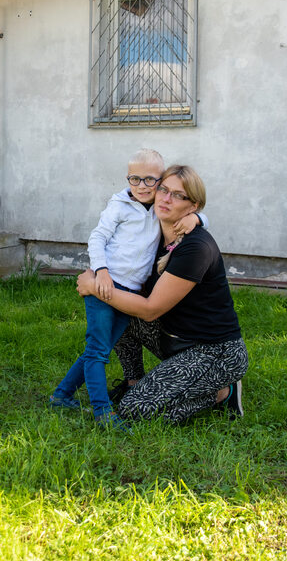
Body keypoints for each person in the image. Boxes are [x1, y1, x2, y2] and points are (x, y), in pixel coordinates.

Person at [77, 165, 248, 426]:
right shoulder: (153, 234)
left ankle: (221, 392)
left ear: (193, 206)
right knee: (119, 314)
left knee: (136, 411)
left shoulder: (196, 248)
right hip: (172, 338)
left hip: (214, 352)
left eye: (178, 195)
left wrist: (95, 288)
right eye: (164, 190)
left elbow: (149, 310)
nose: (166, 199)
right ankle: (134, 381)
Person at [50, 150, 208, 428]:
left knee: (101, 347)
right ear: (128, 179)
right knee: (98, 350)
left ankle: (62, 395)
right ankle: (103, 413)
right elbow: (97, 237)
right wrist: (101, 272)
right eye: (135, 179)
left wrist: (196, 220)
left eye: (150, 180)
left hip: (131, 291)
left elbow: (201, 216)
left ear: (160, 183)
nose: (142, 186)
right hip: (105, 285)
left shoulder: (159, 209)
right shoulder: (120, 205)